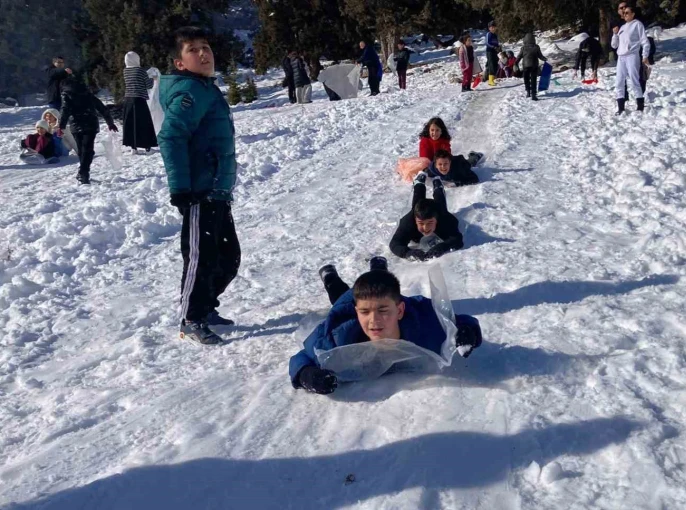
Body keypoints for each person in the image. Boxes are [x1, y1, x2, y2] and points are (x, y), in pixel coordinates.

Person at [158, 26, 241, 345]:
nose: (203, 54)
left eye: (206, 47)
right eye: (193, 50)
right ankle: (191, 318)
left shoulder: (206, 88)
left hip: (218, 189)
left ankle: (205, 307)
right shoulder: (190, 93)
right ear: (180, 63)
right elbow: (170, 136)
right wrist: (180, 188)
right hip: (199, 191)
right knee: (201, 257)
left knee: (228, 257)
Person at [289, 258, 482, 394]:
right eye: (365, 313)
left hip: (391, 299)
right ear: (356, 312)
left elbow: (461, 321)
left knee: (379, 285)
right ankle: (330, 276)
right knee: (340, 294)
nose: (374, 320)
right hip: (349, 303)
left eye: (383, 311)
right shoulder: (336, 337)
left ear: (399, 311)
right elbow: (302, 358)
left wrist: (467, 332)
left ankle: (378, 268)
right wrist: (308, 376)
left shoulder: (424, 322)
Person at [390, 172, 464, 261]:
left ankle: (438, 186)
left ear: (436, 220)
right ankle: (419, 183)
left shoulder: (444, 219)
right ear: (415, 220)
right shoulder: (408, 222)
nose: (425, 227)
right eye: (421, 223)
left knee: (440, 202)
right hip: (417, 212)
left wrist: (441, 247)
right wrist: (408, 253)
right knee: (417, 203)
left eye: (430, 222)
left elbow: (457, 240)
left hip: (439, 211)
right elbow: (395, 243)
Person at [59, 77, 119, 184]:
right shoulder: (87, 93)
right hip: (91, 123)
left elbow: (65, 110)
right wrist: (110, 123)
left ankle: (83, 173)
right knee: (87, 149)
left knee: (82, 151)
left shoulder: (66, 94)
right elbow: (101, 108)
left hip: (76, 125)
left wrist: (61, 126)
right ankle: (83, 173)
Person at [612, 5, 650, 114]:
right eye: (624, 13)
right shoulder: (622, 28)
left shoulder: (637, 24)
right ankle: (621, 107)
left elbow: (645, 41)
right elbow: (614, 45)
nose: (625, 14)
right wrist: (615, 34)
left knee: (634, 80)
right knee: (619, 81)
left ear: (633, 14)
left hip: (632, 55)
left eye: (627, 12)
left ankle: (640, 105)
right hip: (621, 57)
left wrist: (645, 56)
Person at [123, 51, 159, 154]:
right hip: (139, 100)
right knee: (143, 123)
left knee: (131, 124)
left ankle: (133, 148)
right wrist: (153, 78)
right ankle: (147, 147)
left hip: (128, 99)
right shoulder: (140, 70)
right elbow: (148, 85)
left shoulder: (125, 71)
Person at [516, 33, 548, 101]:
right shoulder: (536, 47)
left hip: (526, 66)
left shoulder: (523, 48)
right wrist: (545, 59)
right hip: (534, 65)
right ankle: (533, 94)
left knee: (526, 78)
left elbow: (519, 56)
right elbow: (540, 56)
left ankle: (528, 91)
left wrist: (515, 63)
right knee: (534, 79)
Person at [485, 21, 501, 86]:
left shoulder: (495, 35)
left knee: (495, 64)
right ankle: (490, 81)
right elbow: (487, 43)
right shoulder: (489, 34)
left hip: (494, 51)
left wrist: (498, 47)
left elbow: (496, 43)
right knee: (491, 65)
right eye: (492, 27)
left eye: (494, 27)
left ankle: (491, 78)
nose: (493, 28)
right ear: (489, 28)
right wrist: (493, 47)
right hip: (489, 51)